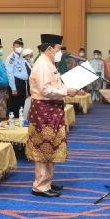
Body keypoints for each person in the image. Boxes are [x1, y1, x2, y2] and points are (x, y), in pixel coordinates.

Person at [27, 34, 78, 198]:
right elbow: (45, 90)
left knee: (51, 146)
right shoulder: (42, 64)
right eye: (58, 49)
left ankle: (47, 181)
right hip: (44, 110)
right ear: (49, 48)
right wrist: (66, 91)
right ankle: (40, 186)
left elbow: (54, 84)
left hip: (51, 109)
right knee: (44, 147)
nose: (60, 52)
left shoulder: (49, 63)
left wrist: (66, 88)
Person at [6, 37, 30, 118]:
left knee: (21, 106)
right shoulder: (11, 58)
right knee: (14, 106)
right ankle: (13, 122)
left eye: (21, 46)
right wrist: (13, 88)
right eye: (17, 46)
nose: (19, 48)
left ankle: (19, 122)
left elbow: (24, 74)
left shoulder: (21, 58)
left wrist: (26, 89)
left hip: (22, 83)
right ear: (13, 47)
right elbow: (10, 73)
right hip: (16, 83)